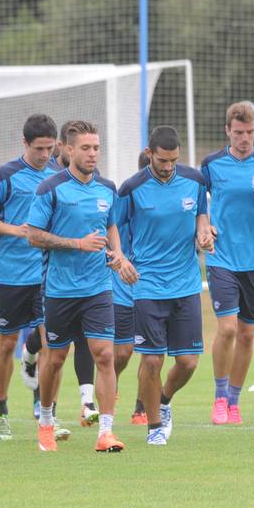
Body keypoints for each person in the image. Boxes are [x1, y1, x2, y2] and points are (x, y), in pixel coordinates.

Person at [27, 120, 133, 452]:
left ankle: (106, 432)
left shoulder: (107, 188)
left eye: (96, 148)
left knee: (104, 355)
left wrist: (118, 255)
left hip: (98, 288)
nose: (92, 154)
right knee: (55, 359)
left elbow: (111, 225)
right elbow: (33, 235)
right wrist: (76, 243)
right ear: (68, 149)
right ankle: (46, 421)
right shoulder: (51, 188)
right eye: (85, 148)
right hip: (59, 290)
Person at [113, 125, 211, 446]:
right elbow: (111, 227)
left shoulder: (194, 181)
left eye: (173, 161)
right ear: (149, 154)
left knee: (188, 362)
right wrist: (120, 260)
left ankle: (164, 400)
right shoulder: (132, 188)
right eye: (162, 161)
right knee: (152, 359)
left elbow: (201, 215)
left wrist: (204, 233)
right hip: (147, 285)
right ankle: (154, 426)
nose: (168, 167)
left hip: (185, 283)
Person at [200, 101, 254, 426]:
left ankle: (235, 403)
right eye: (238, 133)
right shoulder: (211, 164)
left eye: (250, 132)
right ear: (228, 131)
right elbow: (199, 204)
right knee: (227, 329)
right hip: (222, 256)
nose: (244, 138)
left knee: (248, 335)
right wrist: (205, 225)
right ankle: (219, 398)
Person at [0, 113, 59, 442]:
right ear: (25, 144)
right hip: (10, 274)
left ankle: (44, 411)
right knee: (7, 341)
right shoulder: (4, 176)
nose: (44, 155)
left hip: (46, 275)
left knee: (51, 343)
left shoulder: (57, 175)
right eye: (39, 148)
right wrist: (15, 230)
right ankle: (0, 411)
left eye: (50, 148)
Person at [113, 151, 152, 426]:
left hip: (151, 287)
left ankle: (141, 406)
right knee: (123, 352)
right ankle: (109, 388)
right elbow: (106, 229)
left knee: (150, 354)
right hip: (121, 287)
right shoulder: (125, 198)